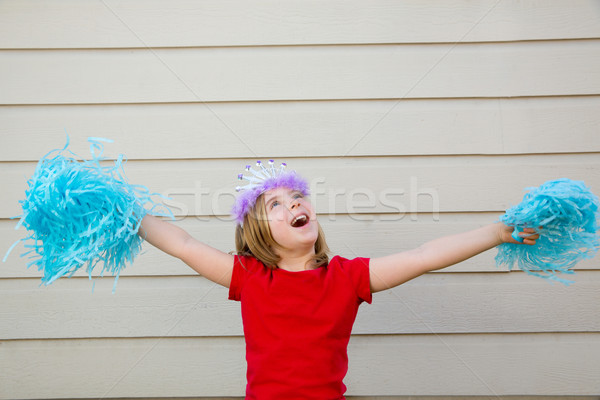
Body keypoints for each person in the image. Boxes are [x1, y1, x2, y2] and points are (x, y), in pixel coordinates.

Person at [138, 161, 539, 400]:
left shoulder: (348, 277)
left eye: (296, 195)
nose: (294, 201)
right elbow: (184, 244)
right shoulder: (249, 276)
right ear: (258, 233)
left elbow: (423, 256)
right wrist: (128, 214)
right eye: (275, 203)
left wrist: (496, 234)